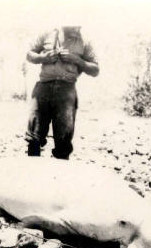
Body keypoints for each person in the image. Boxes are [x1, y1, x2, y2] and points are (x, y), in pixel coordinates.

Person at [24, 26, 99, 159]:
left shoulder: (85, 40)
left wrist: (77, 60)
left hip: (67, 90)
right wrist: (43, 58)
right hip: (43, 87)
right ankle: (32, 174)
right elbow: (29, 54)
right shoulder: (47, 32)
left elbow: (95, 70)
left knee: (63, 142)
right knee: (33, 137)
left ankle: (60, 177)